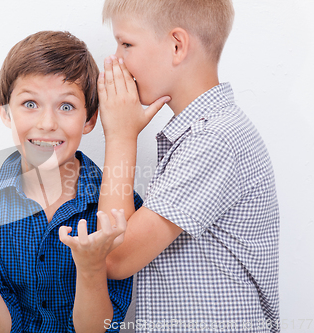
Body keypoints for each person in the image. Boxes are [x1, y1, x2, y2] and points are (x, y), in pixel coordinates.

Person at [0, 31, 144, 333]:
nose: (47, 123)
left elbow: (99, 329)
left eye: (66, 106)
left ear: (90, 119)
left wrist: (90, 269)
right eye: (30, 104)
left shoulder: (118, 205)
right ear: (6, 112)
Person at [94, 0, 280, 332]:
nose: (116, 59)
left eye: (126, 44)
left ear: (177, 46)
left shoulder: (213, 140)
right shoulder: (209, 133)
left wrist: (121, 135)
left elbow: (113, 256)